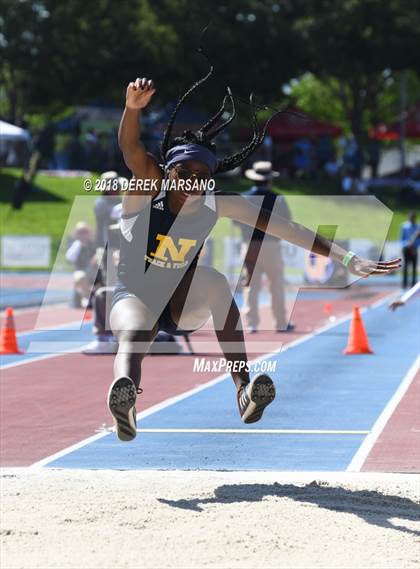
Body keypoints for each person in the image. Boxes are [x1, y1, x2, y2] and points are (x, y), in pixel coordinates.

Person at [108, 72, 400, 442]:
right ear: (168, 172)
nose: (193, 181)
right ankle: (126, 400)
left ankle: (244, 392)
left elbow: (286, 229)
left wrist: (345, 258)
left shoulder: (217, 203)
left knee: (213, 280)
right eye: (185, 173)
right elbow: (131, 150)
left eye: (202, 175)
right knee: (134, 334)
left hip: (181, 302)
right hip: (133, 294)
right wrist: (131, 109)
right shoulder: (147, 187)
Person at [235, 161, 294, 333]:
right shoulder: (278, 198)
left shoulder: (244, 197)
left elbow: (236, 221)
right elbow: (287, 222)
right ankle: (280, 323)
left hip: (249, 244)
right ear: (269, 180)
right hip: (271, 245)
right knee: (276, 284)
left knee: (251, 285)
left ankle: (252, 323)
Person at [65, 222, 98, 308]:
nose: (83, 234)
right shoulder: (74, 244)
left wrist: (97, 257)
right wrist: (78, 244)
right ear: (76, 233)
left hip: (94, 272)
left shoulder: (94, 243)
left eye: (85, 232)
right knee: (81, 276)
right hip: (80, 272)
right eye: (80, 232)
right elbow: (69, 259)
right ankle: (86, 297)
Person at [400, 212, 419, 288]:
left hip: (414, 249)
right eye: (410, 217)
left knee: (414, 267)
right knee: (406, 267)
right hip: (406, 249)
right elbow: (402, 239)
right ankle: (404, 286)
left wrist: (415, 245)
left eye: (413, 218)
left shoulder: (418, 227)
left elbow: (419, 239)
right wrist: (407, 245)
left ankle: (413, 285)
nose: (411, 219)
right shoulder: (404, 226)